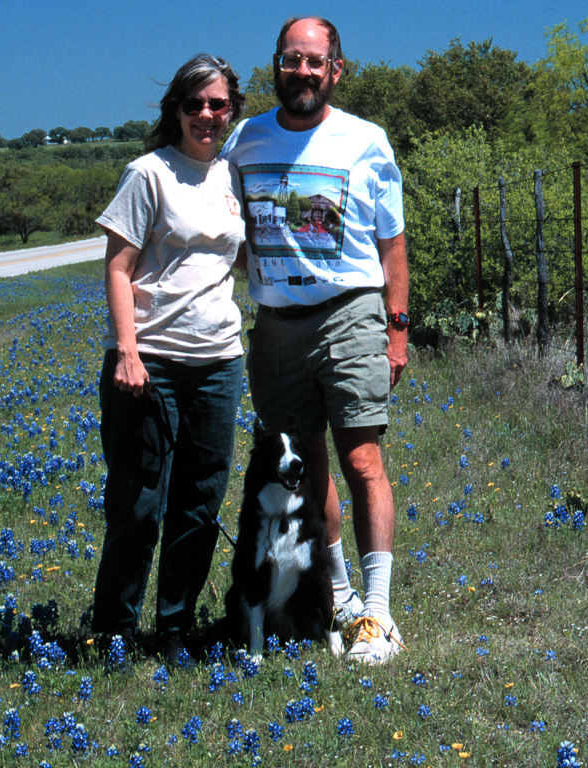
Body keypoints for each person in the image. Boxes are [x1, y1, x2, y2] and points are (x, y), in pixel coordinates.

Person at [220, 16, 410, 664]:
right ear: (275, 64)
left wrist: (398, 327)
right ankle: (339, 596)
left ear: (335, 70)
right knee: (304, 469)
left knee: (362, 461)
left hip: (351, 311)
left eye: (314, 62)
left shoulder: (365, 141)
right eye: (290, 60)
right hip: (276, 325)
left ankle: (378, 615)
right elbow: (220, 224)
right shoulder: (244, 142)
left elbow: (393, 242)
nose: (301, 71)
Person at [91, 54, 247, 664]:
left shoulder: (234, 176)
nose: (206, 116)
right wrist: (126, 351)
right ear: (176, 110)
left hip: (219, 359)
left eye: (218, 105)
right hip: (150, 359)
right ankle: (115, 631)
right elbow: (117, 266)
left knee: (201, 502)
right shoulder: (147, 173)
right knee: (138, 502)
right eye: (194, 105)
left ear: (232, 109)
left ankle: (176, 626)